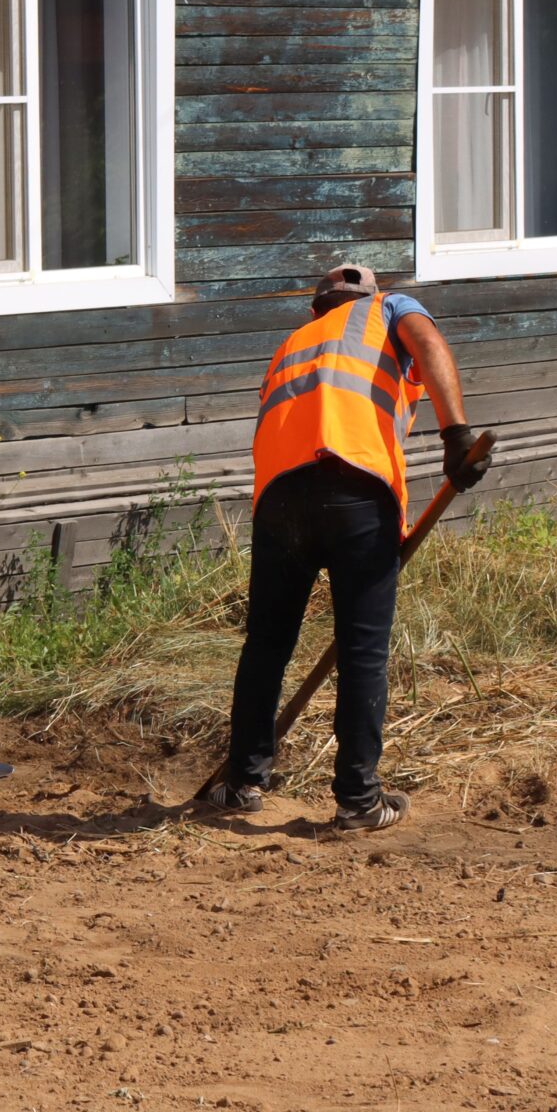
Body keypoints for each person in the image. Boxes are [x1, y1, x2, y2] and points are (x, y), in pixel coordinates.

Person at [200, 263, 490, 831]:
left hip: (280, 500)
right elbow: (427, 341)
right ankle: (358, 799)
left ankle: (242, 781)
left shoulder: (292, 343)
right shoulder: (390, 309)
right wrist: (456, 434)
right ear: (370, 296)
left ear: (317, 309)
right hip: (357, 487)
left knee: (266, 646)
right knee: (362, 648)